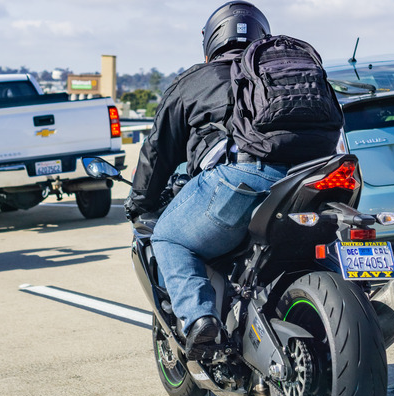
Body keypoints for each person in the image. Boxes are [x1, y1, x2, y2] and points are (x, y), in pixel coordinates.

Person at [124, 1, 291, 359]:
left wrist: (140, 203)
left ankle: (201, 320)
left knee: (168, 236)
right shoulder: (283, 73)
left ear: (212, 38)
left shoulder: (193, 81)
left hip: (242, 180)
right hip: (316, 174)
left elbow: (158, 153)